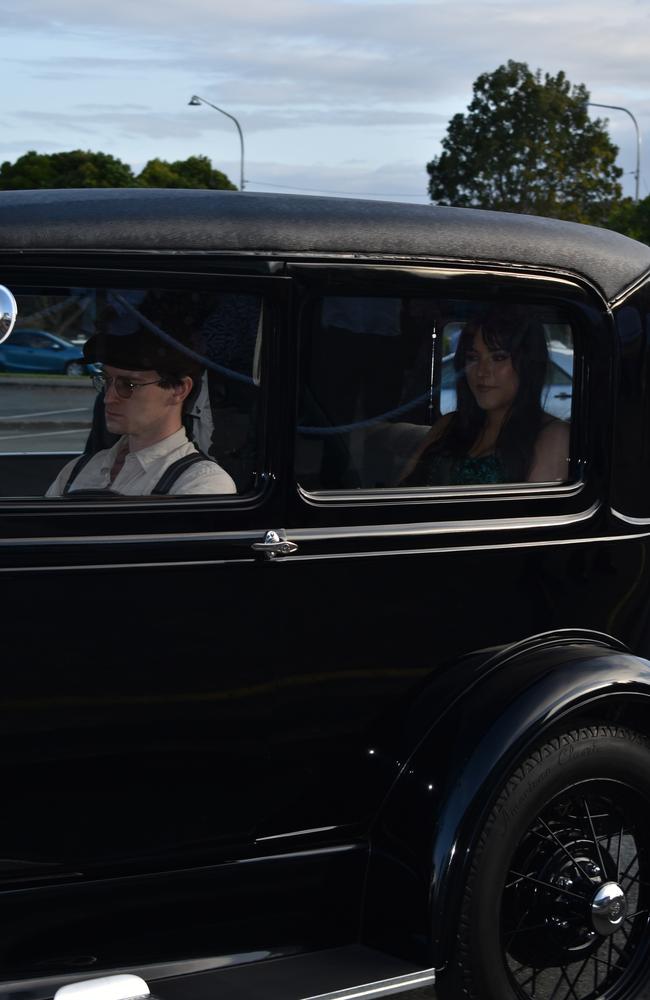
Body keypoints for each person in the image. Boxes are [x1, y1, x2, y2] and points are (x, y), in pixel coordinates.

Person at [46, 328, 237, 497]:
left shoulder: (202, 483)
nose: (108, 398)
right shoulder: (77, 471)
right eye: (106, 380)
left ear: (179, 389)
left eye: (129, 384)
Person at [401, 308, 570, 486]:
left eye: (498, 357)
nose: (482, 372)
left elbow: (536, 512)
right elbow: (402, 493)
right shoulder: (447, 425)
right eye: (473, 357)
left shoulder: (553, 436)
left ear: (527, 364)